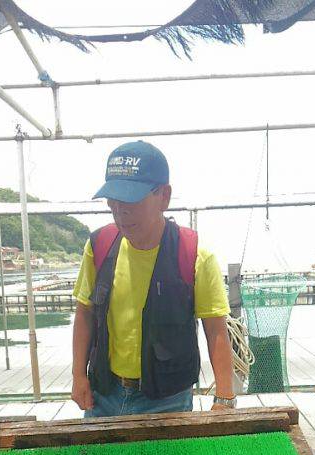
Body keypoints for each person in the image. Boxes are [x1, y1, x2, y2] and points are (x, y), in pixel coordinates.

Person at [71, 140, 236, 417]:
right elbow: (85, 312)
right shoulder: (99, 246)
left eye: (131, 199)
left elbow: (216, 329)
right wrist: (78, 376)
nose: (120, 210)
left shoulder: (195, 255)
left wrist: (225, 397)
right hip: (104, 394)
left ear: (164, 196)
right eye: (113, 199)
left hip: (168, 399)